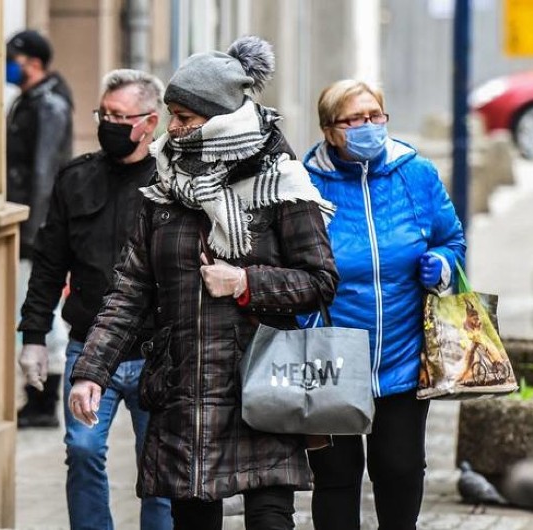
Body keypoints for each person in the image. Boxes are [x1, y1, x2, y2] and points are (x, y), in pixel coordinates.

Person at [68, 36, 339, 530]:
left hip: (262, 386)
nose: (173, 128)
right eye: (171, 115)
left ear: (219, 117)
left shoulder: (282, 182)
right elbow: (129, 291)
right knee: (192, 520)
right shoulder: (163, 189)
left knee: (270, 520)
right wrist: (92, 371)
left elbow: (320, 280)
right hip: (184, 389)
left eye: (185, 118)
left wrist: (244, 282)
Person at [301, 79, 466, 530]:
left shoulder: (416, 174)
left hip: (402, 355)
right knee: (335, 477)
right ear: (330, 129)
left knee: (400, 470)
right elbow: (286, 264)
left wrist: (442, 263)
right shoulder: (304, 184)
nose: (369, 126)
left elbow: (451, 238)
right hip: (331, 357)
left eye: (376, 116)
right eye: (355, 119)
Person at [16, 69, 172, 530]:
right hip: (89, 350)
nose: (109, 123)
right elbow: (48, 264)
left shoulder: (175, 182)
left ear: (150, 122)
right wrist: (34, 337)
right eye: (104, 113)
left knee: (159, 469)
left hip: (156, 353)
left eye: (120, 116)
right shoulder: (76, 179)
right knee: (82, 452)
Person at [6, 29, 74, 427]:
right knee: (30, 309)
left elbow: (44, 172)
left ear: (32, 62)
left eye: (13, 58)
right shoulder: (28, 101)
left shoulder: (48, 104)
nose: (9, 67)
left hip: (39, 228)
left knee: (43, 313)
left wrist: (35, 231)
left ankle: (43, 402)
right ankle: (37, 398)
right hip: (28, 226)